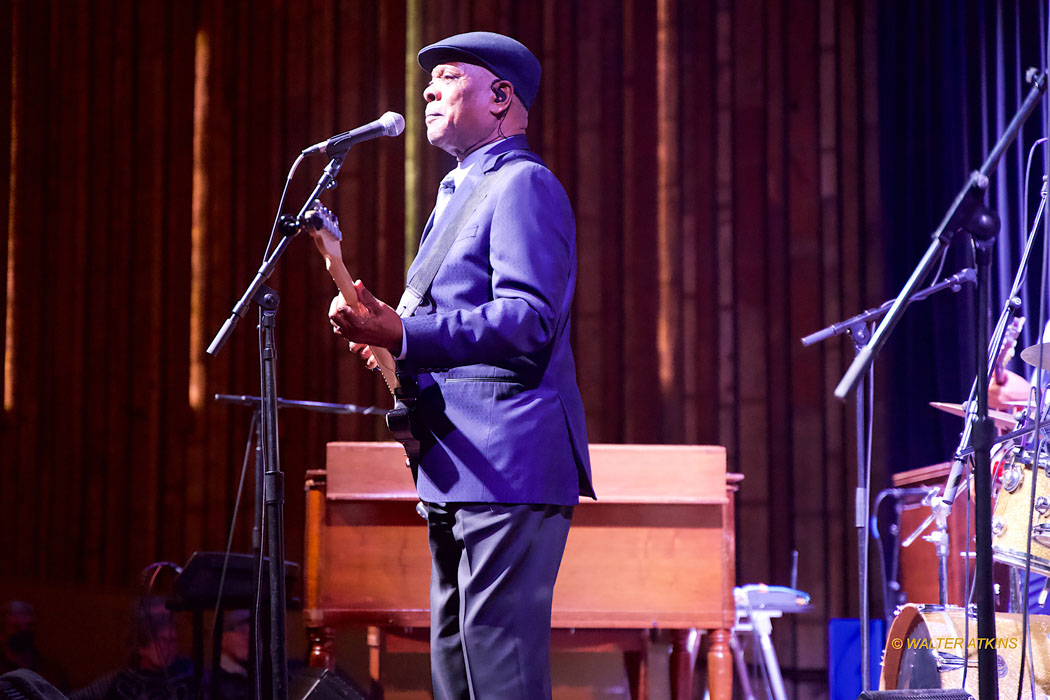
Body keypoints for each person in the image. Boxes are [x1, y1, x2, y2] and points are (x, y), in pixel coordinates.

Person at [328, 30, 595, 700]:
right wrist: (392, 339)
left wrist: (408, 334)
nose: (426, 90)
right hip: (460, 464)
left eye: (447, 76)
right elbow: (446, 327)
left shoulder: (524, 185)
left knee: (497, 669)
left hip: (507, 463)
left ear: (501, 97)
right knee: (456, 666)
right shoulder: (461, 190)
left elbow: (529, 319)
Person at [71, 598, 193, 700]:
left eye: (173, 641)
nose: (169, 648)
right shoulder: (119, 680)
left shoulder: (189, 674)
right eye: (163, 641)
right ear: (141, 645)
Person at [0, 601, 68, 692]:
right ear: (2, 633)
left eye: (29, 626)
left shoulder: (51, 672)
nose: (24, 631)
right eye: (16, 627)